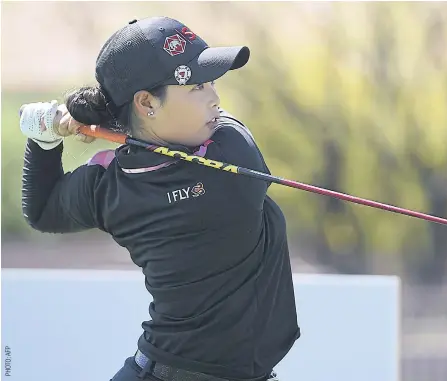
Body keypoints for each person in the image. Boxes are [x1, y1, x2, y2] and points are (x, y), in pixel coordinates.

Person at [19, 16, 300, 381]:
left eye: (211, 82)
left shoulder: (107, 184)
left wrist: (44, 138)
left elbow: (42, 211)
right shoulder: (233, 159)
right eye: (197, 87)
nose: (215, 98)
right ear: (146, 102)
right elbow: (223, 128)